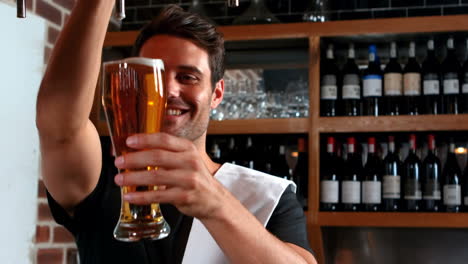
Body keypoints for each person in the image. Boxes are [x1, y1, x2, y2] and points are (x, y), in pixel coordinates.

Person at [36, 1, 317, 263]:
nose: (168, 91)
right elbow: (59, 126)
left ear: (216, 93)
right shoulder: (102, 178)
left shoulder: (266, 195)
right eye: (153, 75)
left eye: (187, 77)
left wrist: (214, 204)